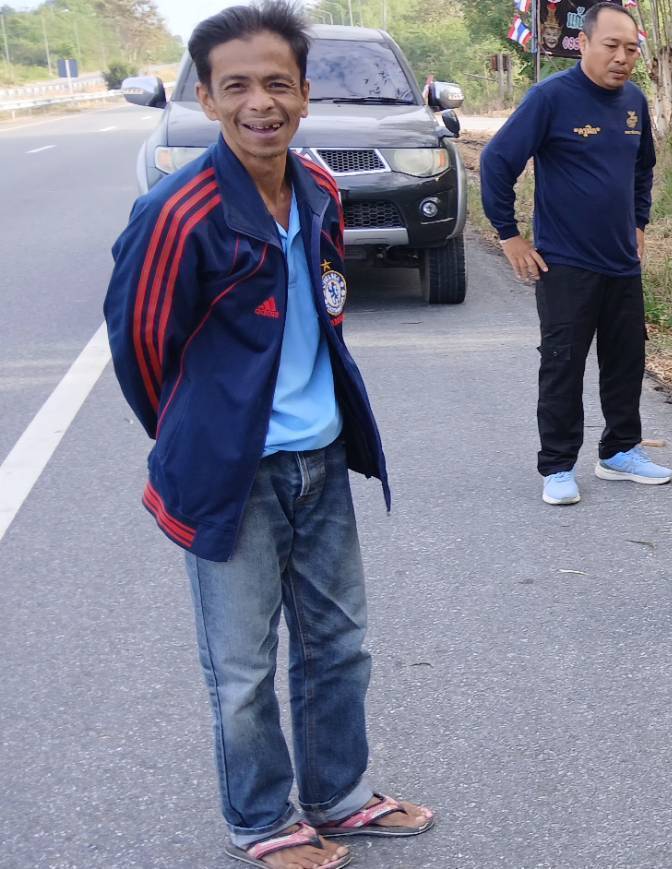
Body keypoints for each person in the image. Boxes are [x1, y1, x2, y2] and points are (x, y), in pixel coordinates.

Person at [102, 4, 434, 867]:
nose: (261, 102)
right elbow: (140, 348)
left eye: (277, 83)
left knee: (338, 645)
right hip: (234, 475)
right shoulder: (178, 213)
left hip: (320, 457)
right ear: (207, 98)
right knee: (243, 669)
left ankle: (339, 795)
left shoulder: (319, 187)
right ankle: (261, 819)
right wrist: (202, 434)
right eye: (237, 85)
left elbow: (326, 305)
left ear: (303, 91)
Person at [480, 0, 670, 506]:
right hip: (564, 262)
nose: (622, 57)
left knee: (626, 359)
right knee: (563, 363)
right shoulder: (550, 98)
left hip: (621, 263)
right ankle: (558, 465)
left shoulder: (635, 102)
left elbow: (641, 168)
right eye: (611, 45)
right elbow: (497, 162)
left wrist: (639, 221)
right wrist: (509, 234)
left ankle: (621, 451)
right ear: (583, 43)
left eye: (631, 48)